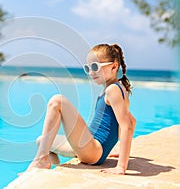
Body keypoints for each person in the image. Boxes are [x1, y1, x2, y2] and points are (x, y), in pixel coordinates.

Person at [26, 43, 136, 175]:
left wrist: (121, 167)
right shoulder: (115, 88)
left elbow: (127, 126)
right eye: (88, 68)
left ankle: (41, 160)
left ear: (114, 66)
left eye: (95, 67)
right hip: (89, 147)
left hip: (92, 150)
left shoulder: (113, 90)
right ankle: (47, 161)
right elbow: (132, 120)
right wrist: (110, 147)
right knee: (42, 141)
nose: (91, 72)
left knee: (57, 101)